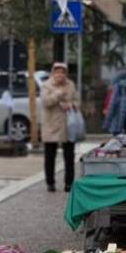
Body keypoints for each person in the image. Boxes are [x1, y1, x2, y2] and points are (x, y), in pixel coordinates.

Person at [40, 62, 78, 193]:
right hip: (51, 125)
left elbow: (77, 100)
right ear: (53, 73)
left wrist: (71, 105)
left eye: (63, 72)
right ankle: (50, 183)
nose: (60, 74)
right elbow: (46, 102)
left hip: (68, 125)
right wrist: (58, 94)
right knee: (50, 156)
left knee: (69, 156)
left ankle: (69, 183)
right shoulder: (47, 85)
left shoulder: (71, 84)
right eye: (57, 72)